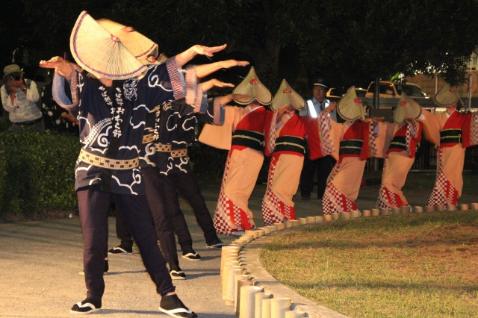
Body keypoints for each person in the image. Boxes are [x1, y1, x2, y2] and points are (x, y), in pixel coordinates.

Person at [41, 10, 234, 317]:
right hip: (91, 169)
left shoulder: (138, 88)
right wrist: (61, 69)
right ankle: (93, 295)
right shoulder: (87, 84)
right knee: (94, 237)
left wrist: (192, 52)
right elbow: (65, 94)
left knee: (146, 234)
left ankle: (168, 295)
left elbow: (165, 70)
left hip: (128, 173)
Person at [199, 67, 271, 235]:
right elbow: (215, 107)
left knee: (236, 190)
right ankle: (240, 223)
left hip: (249, 154)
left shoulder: (266, 113)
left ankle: (239, 224)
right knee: (234, 189)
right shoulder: (239, 110)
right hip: (239, 152)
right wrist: (231, 96)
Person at [375, 95, 436, 209]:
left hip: (403, 154)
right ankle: (394, 205)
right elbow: (380, 131)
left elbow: (414, 134)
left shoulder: (416, 124)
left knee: (391, 182)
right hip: (393, 154)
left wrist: (409, 117)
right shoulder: (399, 125)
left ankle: (398, 205)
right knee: (387, 181)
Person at [424, 84, 478, 209]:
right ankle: (445, 201)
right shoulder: (438, 117)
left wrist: (470, 116)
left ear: (455, 103)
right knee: (443, 172)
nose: (450, 104)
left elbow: (473, 124)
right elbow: (432, 129)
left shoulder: (463, 116)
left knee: (451, 173)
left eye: (452, 102)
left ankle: (448, 199)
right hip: (443, 149)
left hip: (457, 148)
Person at [261, 79, 307, 225]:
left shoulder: (302, 118)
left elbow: (311, 125)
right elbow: (270, 133)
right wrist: (278, 114)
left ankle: (285, 215)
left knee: (287, 187)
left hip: (295, 156)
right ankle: (276, 216)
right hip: (281, 156)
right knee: (277, 186)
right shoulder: (276, 117)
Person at [299, 78, 337, 200]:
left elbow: (334, 123)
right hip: (311, 142)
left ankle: (323, 195)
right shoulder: (307, 104)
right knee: (308, 169)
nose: (319, 91)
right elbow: (303, 122)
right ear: (313, 90)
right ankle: (305, 194)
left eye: (322, 89)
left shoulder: (330, 105)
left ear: (325, 91)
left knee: (325, 170)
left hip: (326, 143)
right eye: (317, 89)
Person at [1, 64, 44, 130]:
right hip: (17, 126)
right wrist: (12, 93)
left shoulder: (30, 83)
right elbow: (8, 109)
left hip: (35, 124)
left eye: (16, 75)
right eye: (10, 77)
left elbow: (35, 98)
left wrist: (22, 87)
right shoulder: (4, 89)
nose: (13, 78)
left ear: (21, 75)